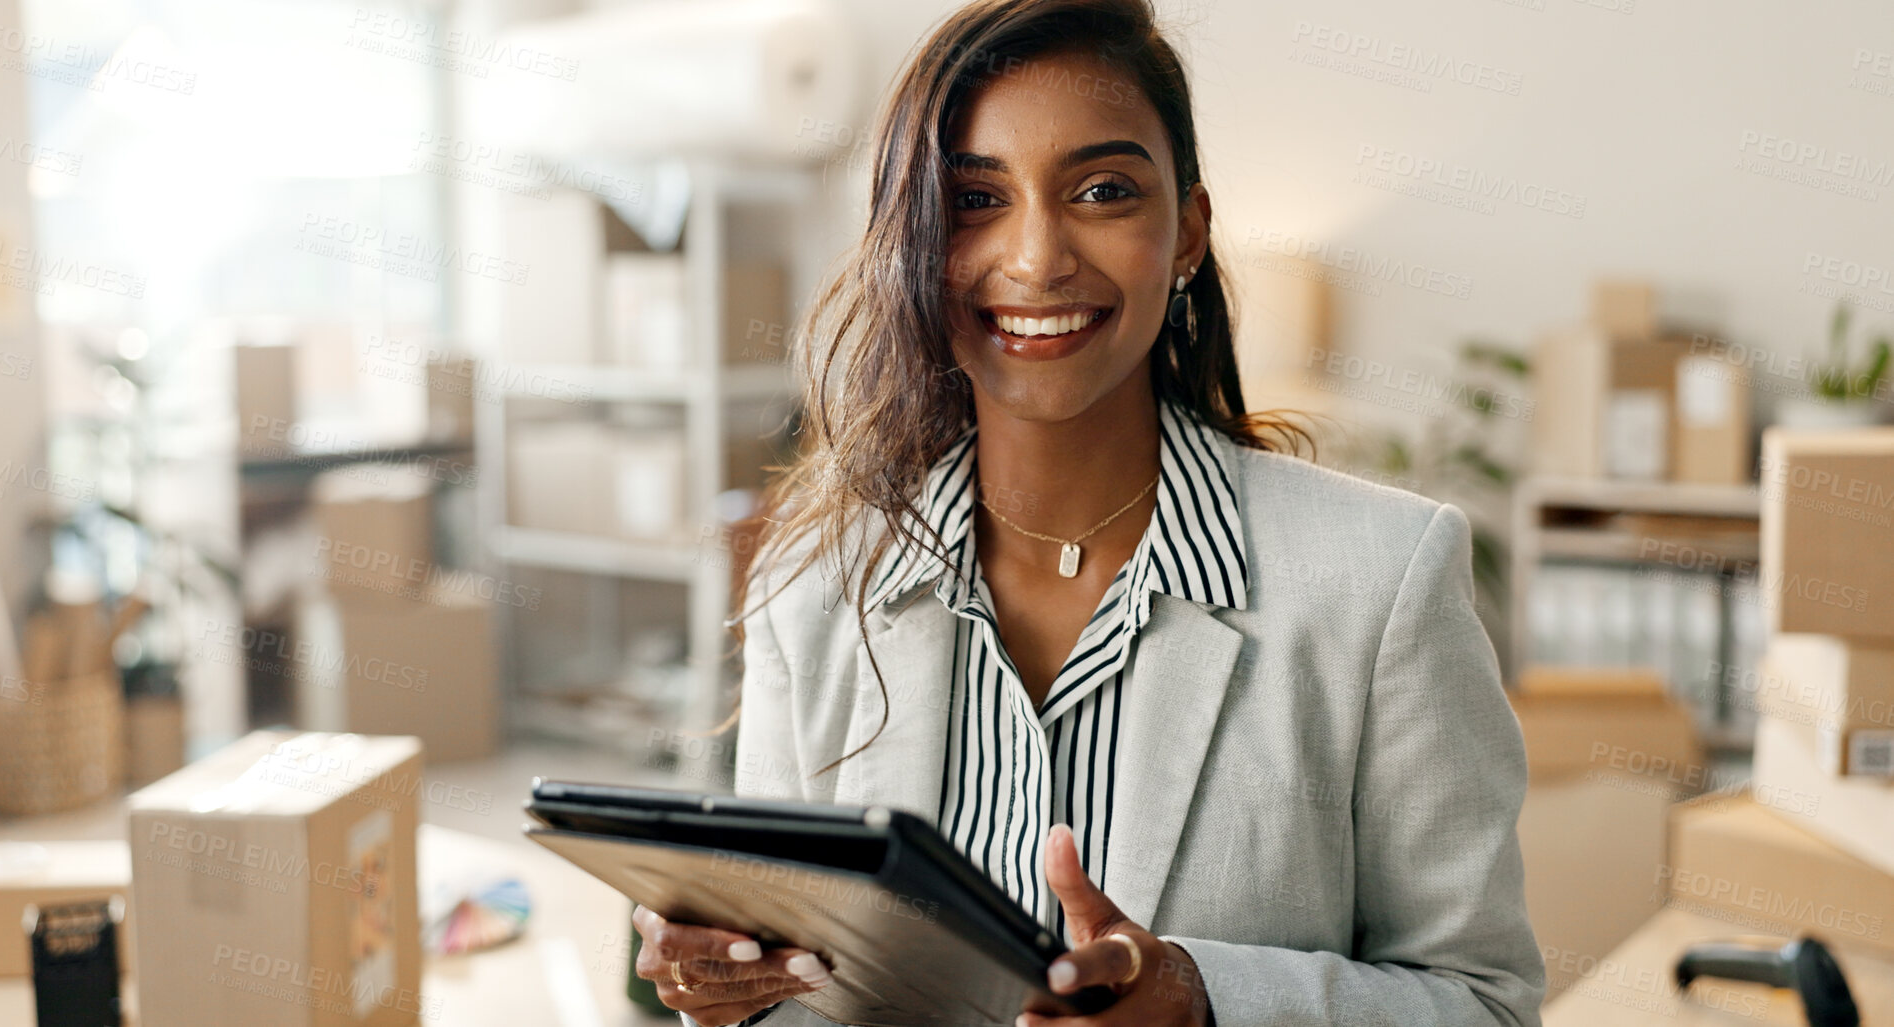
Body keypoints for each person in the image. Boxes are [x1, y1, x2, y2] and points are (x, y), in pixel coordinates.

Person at [633, 1, 1546, 1024]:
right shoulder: (812, 583)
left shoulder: (1383, 578)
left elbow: (1485, 1003)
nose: (1036, 258)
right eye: (975, 198)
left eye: (1103, 191)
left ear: (1189, 232)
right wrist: (733, 992)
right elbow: (795, 983)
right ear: (912, 243)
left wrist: (1204, 1002)